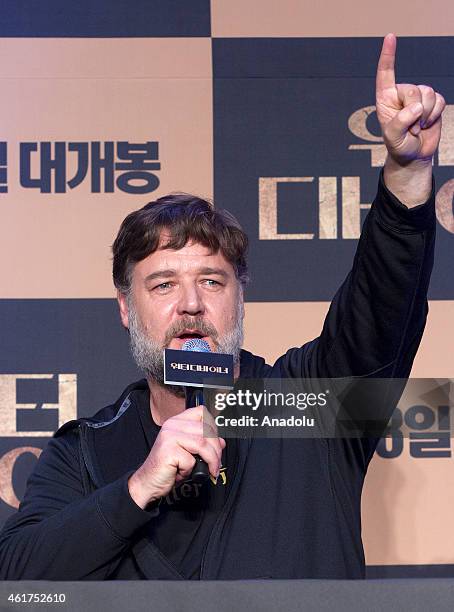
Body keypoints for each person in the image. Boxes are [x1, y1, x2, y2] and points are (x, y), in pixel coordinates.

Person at [0, 34, 444, 580]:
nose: (190, 305)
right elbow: (16, 581)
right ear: (124, 306)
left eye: (211, 281)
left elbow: (382, 307)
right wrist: (138, 487)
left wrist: (405, 175)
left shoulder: (310, 405)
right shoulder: (86, 450)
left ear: (241, 295)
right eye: (163, 285)